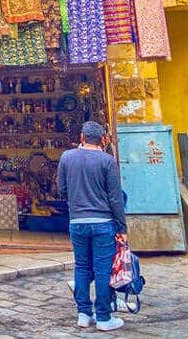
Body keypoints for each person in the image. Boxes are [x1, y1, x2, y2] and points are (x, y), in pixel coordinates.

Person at [57, 121, 127, 332]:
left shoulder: (67, 157)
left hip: (77, 222)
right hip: (102, 222)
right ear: (103, 139)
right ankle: (104, 316)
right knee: (102, 269)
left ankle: (84, 313)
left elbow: (62, 189)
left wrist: (76, 201)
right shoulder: (107, 161)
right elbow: (115, 198)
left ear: (82, 137)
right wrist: (121, 227)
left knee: (81, 267)